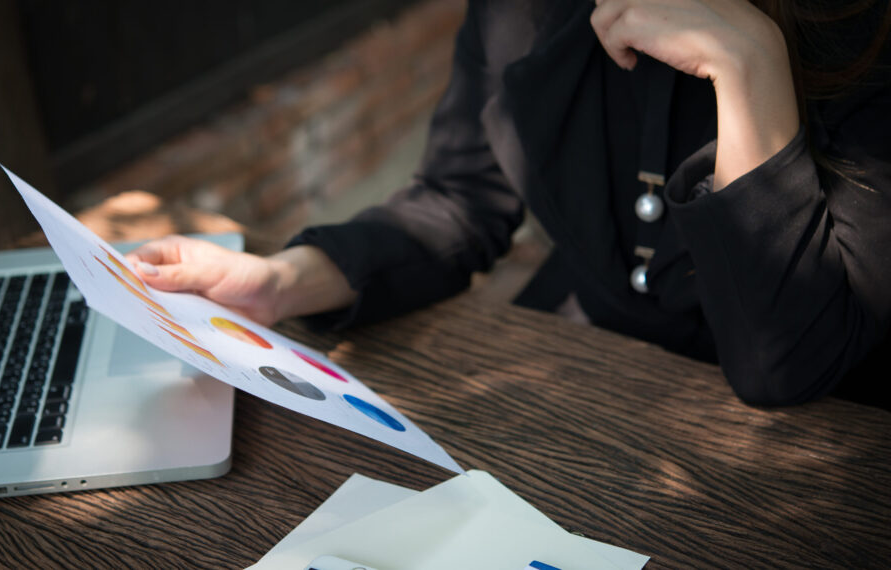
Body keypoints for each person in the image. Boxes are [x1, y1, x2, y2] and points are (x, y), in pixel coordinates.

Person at [127, 0, 891, 408]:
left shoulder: (862, 28)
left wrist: (748, 64)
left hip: (824, 433)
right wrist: (283, 280)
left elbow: (787, 366)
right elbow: (461, 197)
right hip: (574, 372)